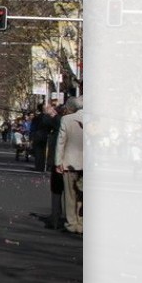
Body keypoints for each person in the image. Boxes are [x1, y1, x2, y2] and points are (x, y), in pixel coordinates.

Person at [54, 97, 84, 235]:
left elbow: (61, 142)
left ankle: (72, 223)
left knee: (70, 195)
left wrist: (58, 161)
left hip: (70, 161)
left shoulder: (66, 119)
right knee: (83, 195)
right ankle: (82, 222)